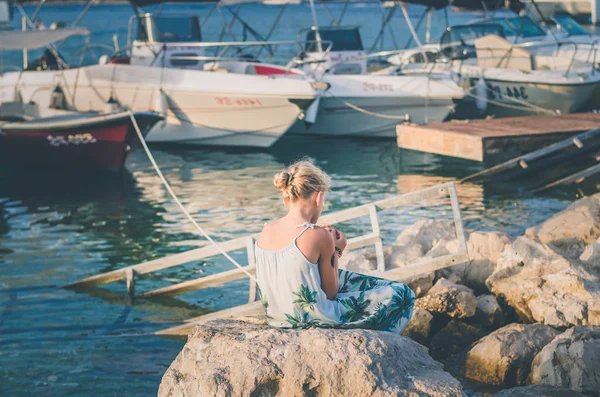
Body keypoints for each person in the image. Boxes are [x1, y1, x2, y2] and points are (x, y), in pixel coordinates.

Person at [255, 159, 415, 334]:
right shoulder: (318, 235)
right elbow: (331, 293)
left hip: (277, 319)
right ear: (318, 197)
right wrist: (335, 250)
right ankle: (383, 340)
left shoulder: (265, 231)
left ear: (287, 197)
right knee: (403, 293)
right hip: (314, 320)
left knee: (352, 279)